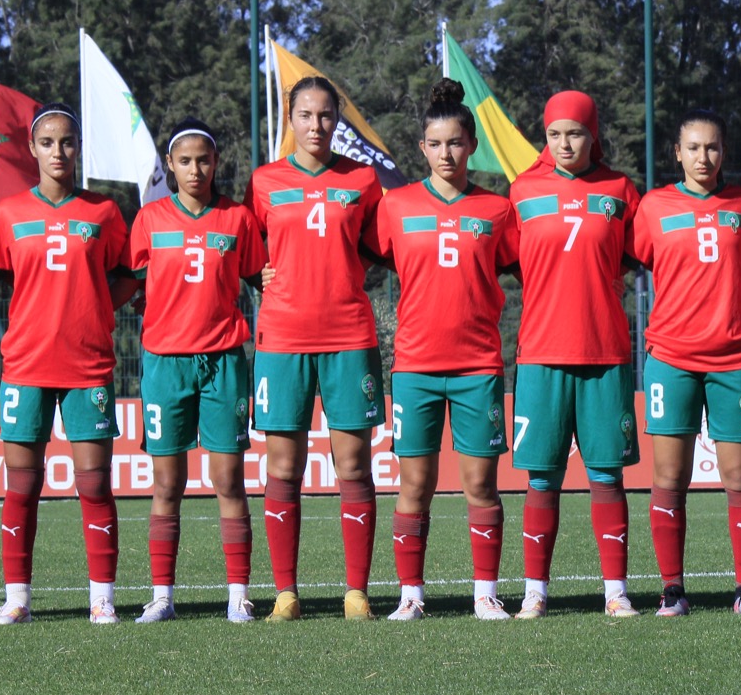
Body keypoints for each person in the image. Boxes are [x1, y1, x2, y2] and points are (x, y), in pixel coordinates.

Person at [0, 103, 133, 625]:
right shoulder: (8, 214)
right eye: (48, 143)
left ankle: (102, 598)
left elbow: (130, 274)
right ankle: (17, 599)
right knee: (21, 485)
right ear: (32, 148)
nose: (58, 152)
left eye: (67, 142)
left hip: (88, 366)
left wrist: (96, 310)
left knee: (93, 483)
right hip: (25, 365)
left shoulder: (104, 213)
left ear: (78, 147)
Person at [373, 80, 519, 621]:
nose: (445, 153)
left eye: (455, 143)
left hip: (478, 364)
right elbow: (359, 255)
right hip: (414, 365)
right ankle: (411, 594)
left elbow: (528, 265)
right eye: (435, 145)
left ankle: (485, 593)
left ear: (471, 143)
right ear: (422, 149)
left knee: (480, 482)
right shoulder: (397, 206)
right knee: (415, 483)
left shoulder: (499, 210)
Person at [246, 76, 385, 621]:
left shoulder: (364, 180)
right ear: (290, 118)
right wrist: (263, 276)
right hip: (282, 339)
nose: (316, 126)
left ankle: (356, 592)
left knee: (353, 463)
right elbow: (246, 251)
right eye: (305, 115)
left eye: (326, 116)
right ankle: (286, 593)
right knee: (283, 466)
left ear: (338, 119)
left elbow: (378, 245)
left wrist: (340, 277)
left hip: (348, 336)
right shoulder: (263, 181)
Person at [632, 109, 741, 617]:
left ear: (724, 151)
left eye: (712, 147)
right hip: (670, 357)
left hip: (734, 358)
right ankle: (672, 590)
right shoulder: (653, 206)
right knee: (670, 477)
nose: (703, 157)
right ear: (677, 152)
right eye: (693, 147)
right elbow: (643, 257)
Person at [508, 90, 641, 619]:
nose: (566, 143)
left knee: (607, 474)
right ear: (546, 137)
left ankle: (616, 592)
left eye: (576, 133)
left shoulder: (620, 190)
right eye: (556, 133)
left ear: (594, 136)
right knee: (542, 477)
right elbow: (510, 262)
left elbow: (631, 259)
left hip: (604, 351)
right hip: (541, 352)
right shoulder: (521, 190)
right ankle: (535, 592)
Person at [127, 117, 266, 624]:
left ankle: (238, 596)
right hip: (164, 364)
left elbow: (261, 275)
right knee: (167, 484)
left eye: (203, 160)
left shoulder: (237, 219)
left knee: (229, 479)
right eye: (184, 161)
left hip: (224, 361)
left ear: (216, 163)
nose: (195, 169)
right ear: (169, 165)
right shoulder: (149, 219)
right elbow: (126, 278)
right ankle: (162, 596)